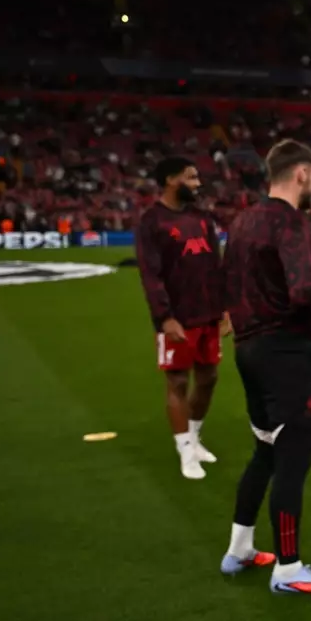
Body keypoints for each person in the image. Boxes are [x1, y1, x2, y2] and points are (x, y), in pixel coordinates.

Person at [222, 140, 311, 593]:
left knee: (266, 451)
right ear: (301, 173)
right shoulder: (289, 222)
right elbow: (302, 290)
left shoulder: (243, 220)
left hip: (248, 350)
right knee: (293, 455)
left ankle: (239, 548)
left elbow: (226, 281)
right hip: (284, 351)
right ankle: (289, 569)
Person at [135, 155, 230, 480]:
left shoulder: (203, 218)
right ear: (171, 180)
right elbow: (151, 275)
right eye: (191, 178)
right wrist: (164, 317)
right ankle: (185, 451)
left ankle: (195, 437)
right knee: (177, 381)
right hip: (177, 318)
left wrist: (226, 309)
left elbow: (217, 267)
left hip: (208, 315)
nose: (197, 183)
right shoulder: (152, 222)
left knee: (209, 379)